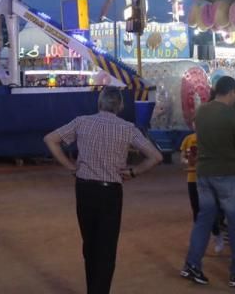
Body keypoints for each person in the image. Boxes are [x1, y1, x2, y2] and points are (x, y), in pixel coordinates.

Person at [44, 86, 162, 294]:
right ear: (120, 106)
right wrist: (134, 172)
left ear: (99, 103)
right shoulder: (127, 128)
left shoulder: (81, 122)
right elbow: (156, 156)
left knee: (89, 244)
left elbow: (50, 139)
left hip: (84, 188)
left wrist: (70, 166)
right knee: (106, 248)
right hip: (110, 191)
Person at [179, 76, 235, 289]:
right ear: (232, 92)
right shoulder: (232, 115)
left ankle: (191, 265)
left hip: (203, 173)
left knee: (204, 220)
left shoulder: (202, 111)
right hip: (227, 173)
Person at [179, 123, 224, 256]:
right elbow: (182, 157)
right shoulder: (188, 139)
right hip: (192, 179)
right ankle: (199, 240)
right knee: (196, 210)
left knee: (209, 209)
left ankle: (217, 235)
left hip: (207, 179)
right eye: (195, 124)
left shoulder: (210, 139)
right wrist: (187, 162)